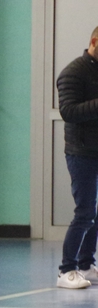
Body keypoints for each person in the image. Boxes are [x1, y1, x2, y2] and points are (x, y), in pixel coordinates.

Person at [55, 26, 98, 289]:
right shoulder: (72, 72)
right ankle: (66, 270)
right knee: (85, 212)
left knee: (96, 213)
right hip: (81, 152)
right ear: (94, 41)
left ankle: (85, 265)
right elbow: (68, 111)